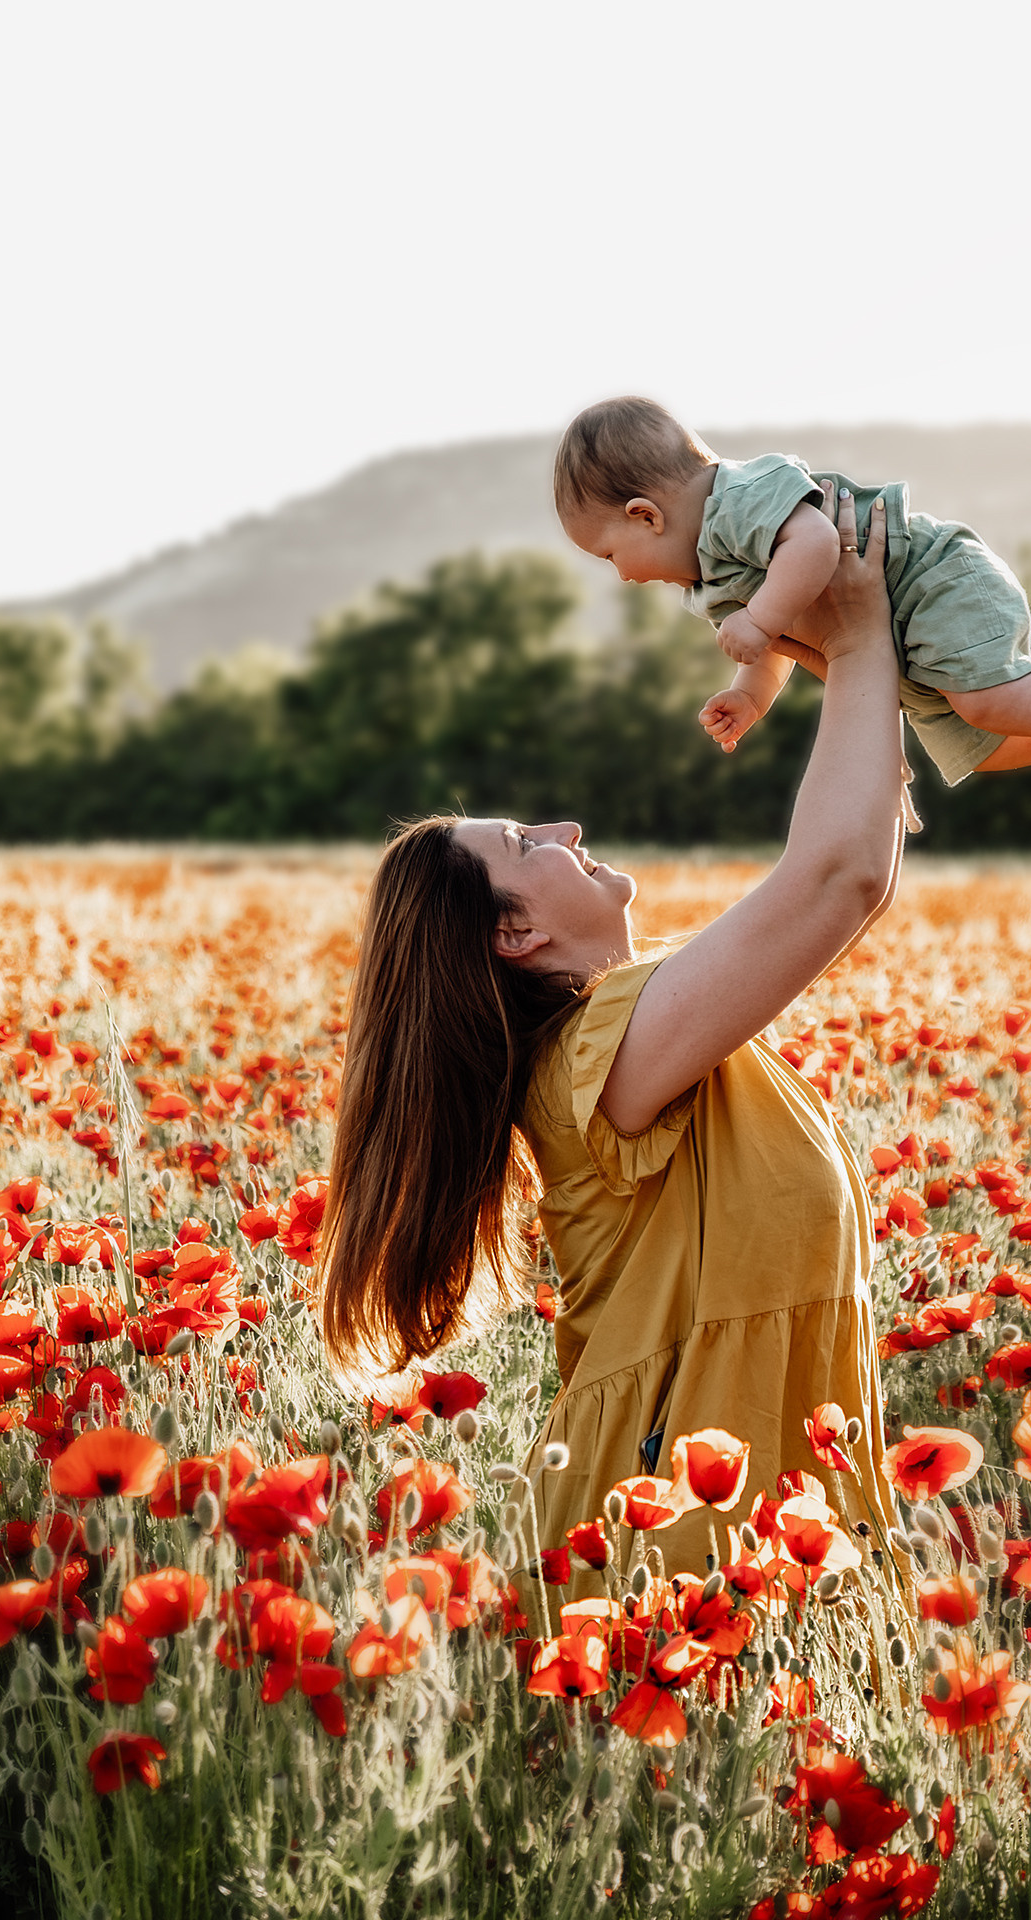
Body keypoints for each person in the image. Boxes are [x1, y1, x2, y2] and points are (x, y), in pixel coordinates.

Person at [320, 492, 907, 1603]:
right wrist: (857, 634)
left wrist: (860, 670)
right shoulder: (598, 1057)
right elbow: (840, 878)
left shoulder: (636, 1035)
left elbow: (855, 867)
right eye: (527, 843)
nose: (568, 831)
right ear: (513, 932)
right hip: (673, 1547)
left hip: (749, 1523)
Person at [555, 395, 1031, 828]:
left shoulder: (733, 500)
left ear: (646, 515)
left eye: (609, 555)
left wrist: (760, 618)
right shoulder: (707, 580)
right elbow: (783, 648)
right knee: (977, 746)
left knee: (983, 701)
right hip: (900, 645)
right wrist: (750, 696)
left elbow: (814, 543)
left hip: (930, 585)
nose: (624, 577)